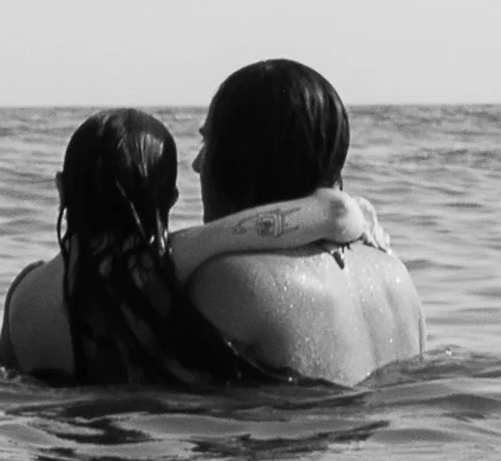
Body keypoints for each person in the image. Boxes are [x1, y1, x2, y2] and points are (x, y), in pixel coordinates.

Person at [0, 107, 383, 385]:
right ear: (171, 198)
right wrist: (360, 209)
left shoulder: (23, 292)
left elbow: (8, 375)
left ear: (61, 187)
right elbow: (334, 213)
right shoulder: (163, 265)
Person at [178, 59, 423, 385]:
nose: (197, 165)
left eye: (208, 144)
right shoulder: (397, 277)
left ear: (241, 158)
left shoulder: (230, 280)